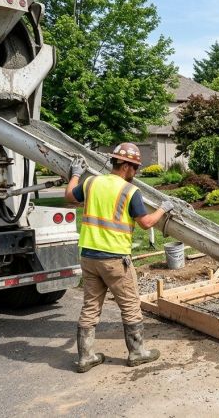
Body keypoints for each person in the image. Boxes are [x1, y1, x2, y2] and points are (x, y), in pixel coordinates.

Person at [64, 143, 176, 373]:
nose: (136, 171)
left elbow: (69, 197)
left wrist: (75, 174)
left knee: (90, 307)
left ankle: (86, 357)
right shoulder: (130, 191)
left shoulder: (91, 182)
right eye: (135, 167)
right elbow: (146, 223)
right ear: (125, 166)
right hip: (115, 259)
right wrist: (163, 208)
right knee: (130, 306)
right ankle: (137, 353)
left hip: (89, 256)